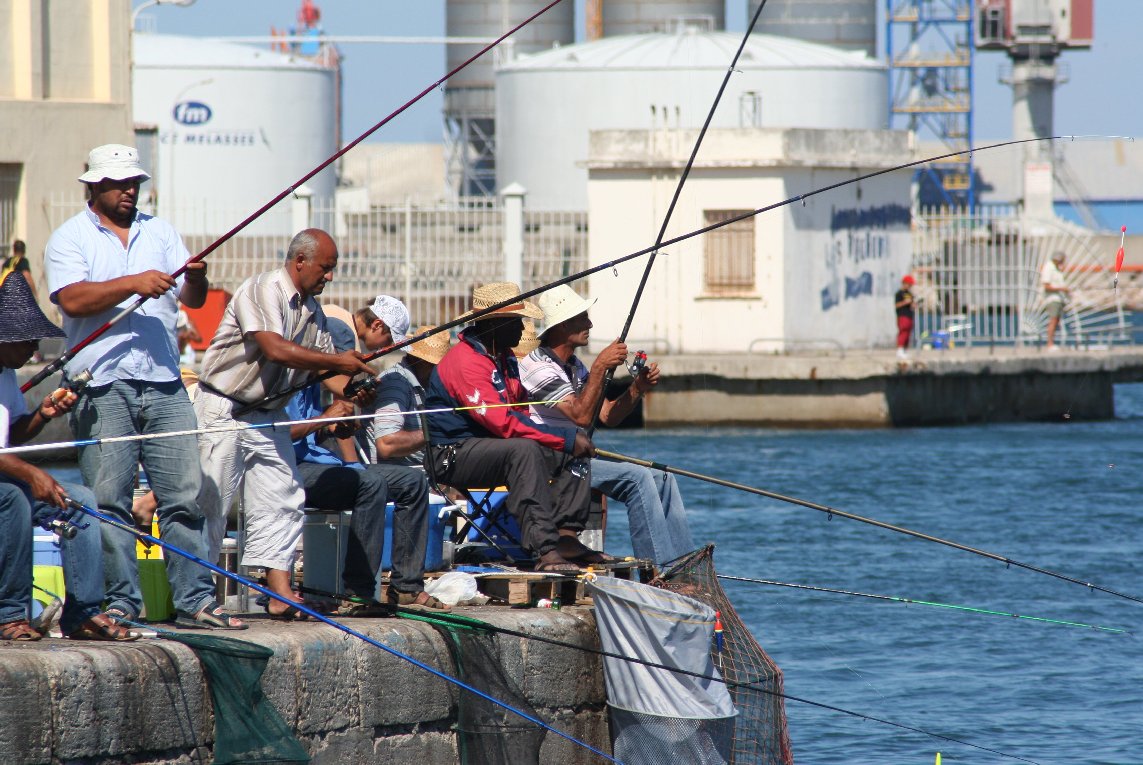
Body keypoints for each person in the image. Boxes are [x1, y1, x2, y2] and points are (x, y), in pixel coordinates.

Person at [43, 144, 243, 630]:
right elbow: (71, 299)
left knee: (183, 495)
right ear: (94, 187)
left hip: (164, 382)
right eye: (119, 183)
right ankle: (120, 604)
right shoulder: (68, 239)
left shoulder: (162, 232)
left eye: (134, 182)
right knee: (109, 500)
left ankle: (195, 600)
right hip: (102, 385)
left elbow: (190, 299)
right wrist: (132, 282)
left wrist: (196, 278)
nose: (130, 190)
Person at [194, 228, 374, 617]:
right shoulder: (262, 290)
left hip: (267, 415)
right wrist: (337, 362)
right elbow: (275, 349)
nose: (330, 276)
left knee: (284, 495)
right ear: (300, 262)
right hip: (224, 408)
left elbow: (332, 376)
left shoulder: (315, 312)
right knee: (214, 502)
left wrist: (355, 388)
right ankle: (198, 595)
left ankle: (279, 592)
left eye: (333, 269)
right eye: (325, 268)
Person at [0, 272, 138, 641]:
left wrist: (44, 413)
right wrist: (32, 475)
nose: (33, 350)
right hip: (5, 489)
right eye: (27, 341)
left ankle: (83, 612)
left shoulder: (7, 375)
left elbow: (11, 436)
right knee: (16, 499)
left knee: (81, 500)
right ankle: (10, 614)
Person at [423, 282, 597, 572]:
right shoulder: (466, 363)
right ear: (495, 325)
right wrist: (562, 438)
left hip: (494, 448)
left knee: (570, 448)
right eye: (517, 322)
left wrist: (566, 442)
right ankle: (545, 550)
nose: (523, 329)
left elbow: (520, 414)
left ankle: (565, 534)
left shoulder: (504, 360)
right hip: (451, 455)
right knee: (525, 449)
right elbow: (504, 424)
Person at [518, 284, 696, 565]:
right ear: (562, 326)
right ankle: (658, 571)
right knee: (636, 479)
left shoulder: (574, 367)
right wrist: (601, 366)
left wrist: (637, 388)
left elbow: (607, 416)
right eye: (582, 319)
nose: (590, 324)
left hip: (576, 458)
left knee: (662, 477)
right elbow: (581, 417)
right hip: (550, 460)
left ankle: (681, 565)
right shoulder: (538, 367)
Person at [345, 305, 449, 609]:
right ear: (421, 360)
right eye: (436, 365)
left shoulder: (422, 386)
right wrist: (436, 435)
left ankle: (407, 584)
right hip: (384, 472)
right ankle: (405, 585)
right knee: (416, 480)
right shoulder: (397, 384)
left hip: (412, 469)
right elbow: (387, 444)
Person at [1042, 252, 1070, 351]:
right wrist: (1062, 289)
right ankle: (1050, 344)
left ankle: (1052, 343)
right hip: (1052, 299)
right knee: (1053, 320)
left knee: (1056, 320)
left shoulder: (1056, 269)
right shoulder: (1049, 268)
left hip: (1058, 299)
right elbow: (1046, 285)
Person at [894, 274, 916, 360]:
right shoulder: (899, 293)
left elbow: (912, 304)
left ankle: (904, 350)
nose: (910, 286)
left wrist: (913, 304)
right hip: (902, 315)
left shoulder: (909, 294)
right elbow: (897, 305)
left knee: (908, 333)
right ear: (904, 283)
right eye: (909, 284)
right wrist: (905, 302)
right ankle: (899, 349)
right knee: (903, 331)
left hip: (909, 315)